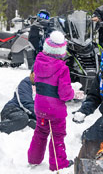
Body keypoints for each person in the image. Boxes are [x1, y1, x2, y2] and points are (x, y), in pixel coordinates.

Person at [27, 31, 74, 171]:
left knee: (40, 132)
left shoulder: (38, 61)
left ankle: (34, 159)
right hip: (56, 111)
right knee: (57, 136)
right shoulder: (62, 68)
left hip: (40, 107)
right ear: (61, 51)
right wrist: (73, 93)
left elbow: (36, 81)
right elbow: (65, 94)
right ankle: (58, 164)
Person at [0, 69, 36, 134]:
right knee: (22, 118)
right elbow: (25, 103)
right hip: (12, 109)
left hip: (29, 114)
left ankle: (29, 123)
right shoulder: (26, 83)